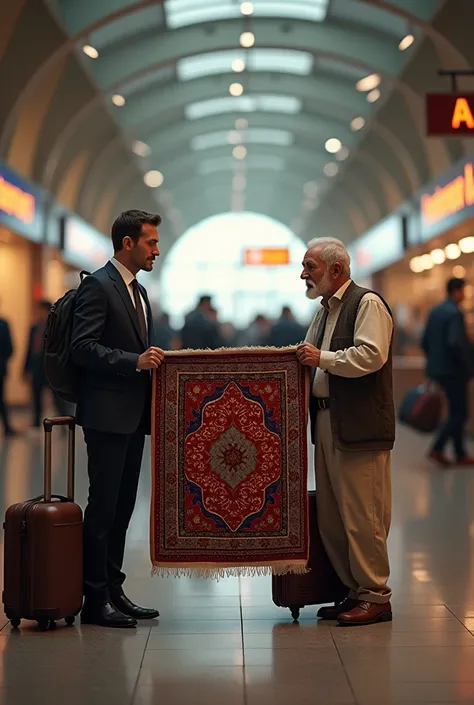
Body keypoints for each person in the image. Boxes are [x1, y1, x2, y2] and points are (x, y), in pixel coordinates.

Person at [71, 209, 164, 628]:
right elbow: (83, 347)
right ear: (127, 243)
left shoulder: (137, 291)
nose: (156, 250)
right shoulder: (98, 286)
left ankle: (113, 588)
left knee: (124, 506)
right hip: (107, 416)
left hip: (132, 417)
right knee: (104, 507)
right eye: (151, 243)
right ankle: (93, 598)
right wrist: (135, 361)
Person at [296, 237, 394, 627]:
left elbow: (371, 355)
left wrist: (322, 358)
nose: (303, 274)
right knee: (333, 516)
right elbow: (307, 354)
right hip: (326, 421)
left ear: (337, 270)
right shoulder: (323, 312)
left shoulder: (366, 303)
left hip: (357, 423)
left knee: (362, 513)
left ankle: (376, 596)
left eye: (311, 267)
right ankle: (353, 590)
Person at [422, 277, 474, 467]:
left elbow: (424, 341)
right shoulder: (454, 313)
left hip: (438, 369)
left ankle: (460, 453)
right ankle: (438, 447)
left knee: (455, 410)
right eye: (464, 291)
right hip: (454, 370)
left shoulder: (435, 311)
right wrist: (468, 365)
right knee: (459, 413)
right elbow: (456, 343)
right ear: (457, 291)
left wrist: (435, 362)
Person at [24, 300, 52, 428]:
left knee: (57, 398)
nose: (39, 313)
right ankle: (36, 423)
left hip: (50, 368)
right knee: (36, 396)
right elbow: (29, 350)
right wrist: (26, 368)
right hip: (36, 368)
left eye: (41, 310)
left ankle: (64, 422)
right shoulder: (34, 328)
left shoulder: (53, 328)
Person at [0, 310, 14, 437]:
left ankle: (7, 426)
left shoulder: (3, 324)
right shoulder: (3, 324)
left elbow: (10, 348)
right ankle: (7, 427)